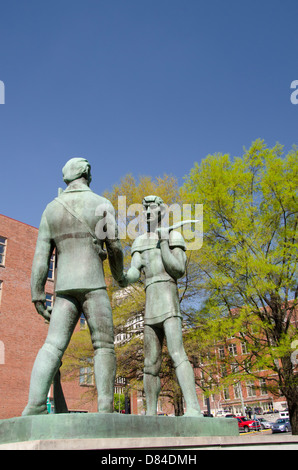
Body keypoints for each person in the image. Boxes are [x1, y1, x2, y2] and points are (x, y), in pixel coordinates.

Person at [22, 157, 125, 415]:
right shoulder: (102, 204)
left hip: (64, 287)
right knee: (103, 345)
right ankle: (105, 408)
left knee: (52, 346)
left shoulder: (51, 209)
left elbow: (41, 257)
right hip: (93, 285)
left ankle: (33, 406)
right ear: (87, 173)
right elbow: (114, 247)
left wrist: (37, 292)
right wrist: (120, 275)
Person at [122, 195, 201, 416]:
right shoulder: (139, 243)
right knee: (150, 363)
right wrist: (120, 272)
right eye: (145, 209)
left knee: (177, 353)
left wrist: (164, 242)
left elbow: (177, 269)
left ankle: (193, 407)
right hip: (150, 305)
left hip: (168, 300)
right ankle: (149, 413)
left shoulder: (174, 236)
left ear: (162, 211)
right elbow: (133, 273)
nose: (148, 212)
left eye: (153, 208)